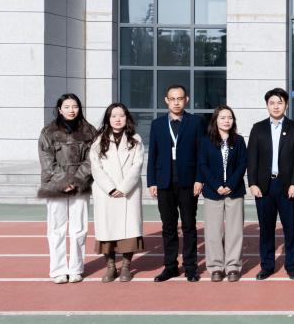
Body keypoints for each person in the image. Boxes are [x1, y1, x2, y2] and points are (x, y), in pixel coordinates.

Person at [147, 84, 205, 282]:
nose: (176, 102)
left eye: (180, 98)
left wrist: (199, 178)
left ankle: (190, 267)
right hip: (164, 183)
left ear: (186, 99)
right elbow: (152, 154)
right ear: (166, 101)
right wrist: (151, 181)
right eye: (172, 99)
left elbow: (201, 153)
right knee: (168, 227)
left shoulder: (196, 122)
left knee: (189, 226)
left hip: (188, 183)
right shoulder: (157, 124)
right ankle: (170, 266)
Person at [246, 88, 294, 280]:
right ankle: (267, 266)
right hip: (264, 187)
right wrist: (252, 183)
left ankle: (292, 267)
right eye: (272, 103)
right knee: (266, 229)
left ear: (286, 105)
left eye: (280, 103)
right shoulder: (258, 128)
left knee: (290, 228)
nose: (276, 106)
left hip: (287, 186)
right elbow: (251, 158)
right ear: (267, 105)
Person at [38, 93, 97, 284]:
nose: (71, 110)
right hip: (55, 186)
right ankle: (58, 270)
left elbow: (92, 159)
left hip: (80, 185)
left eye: (75, 106)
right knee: (56, 229)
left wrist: (77, 180)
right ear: (59, 109)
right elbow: (47, 161)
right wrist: (64, 181)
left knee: (79, 229)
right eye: (67, 107)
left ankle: (76, 268)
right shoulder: (48, 132)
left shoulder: (89, 131)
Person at [90, 103, 145, 283]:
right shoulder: (99, 140)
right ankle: (111, 267)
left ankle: (127, 266)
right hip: (106, 193)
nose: (117, 119)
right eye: (113, 116)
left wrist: (123, 188)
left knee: (129, 230)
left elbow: (137, 165)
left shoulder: (135, 139)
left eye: (121, 115)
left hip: (128, 192)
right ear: (108, 119)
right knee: (107, 231)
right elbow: (95, 167)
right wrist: (110, 188)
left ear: (126, 118)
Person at [198, 106, 248, 282]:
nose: (227, 121)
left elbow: (243, 163)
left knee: (235, 231)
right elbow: (203, 165)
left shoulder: (239, 140)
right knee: (213, 231)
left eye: (230, 117)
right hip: (213, 192)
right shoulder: (206, 141)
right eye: (222, 117)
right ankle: (216, 267)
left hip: (235, 191)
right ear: (215, 120)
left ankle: (233, 266)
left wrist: (231, 184)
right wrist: (217, 185)